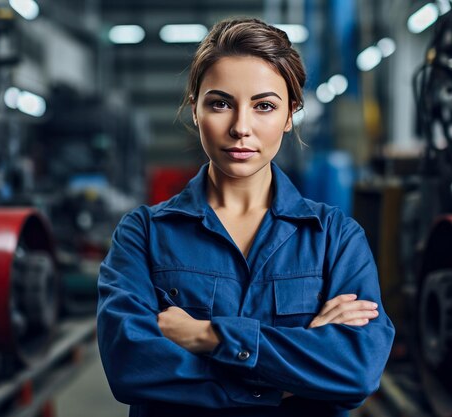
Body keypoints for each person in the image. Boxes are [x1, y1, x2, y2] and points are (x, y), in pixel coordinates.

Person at [97, 17, 395, 417]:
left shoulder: (334, 238)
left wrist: (206, 334)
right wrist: (291, 373)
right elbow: (129, 367)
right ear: (195, 110)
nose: (241, 128)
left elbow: (356, 370)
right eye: (220, 103)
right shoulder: (144, 234)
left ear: (290, 116)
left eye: (264, 106)